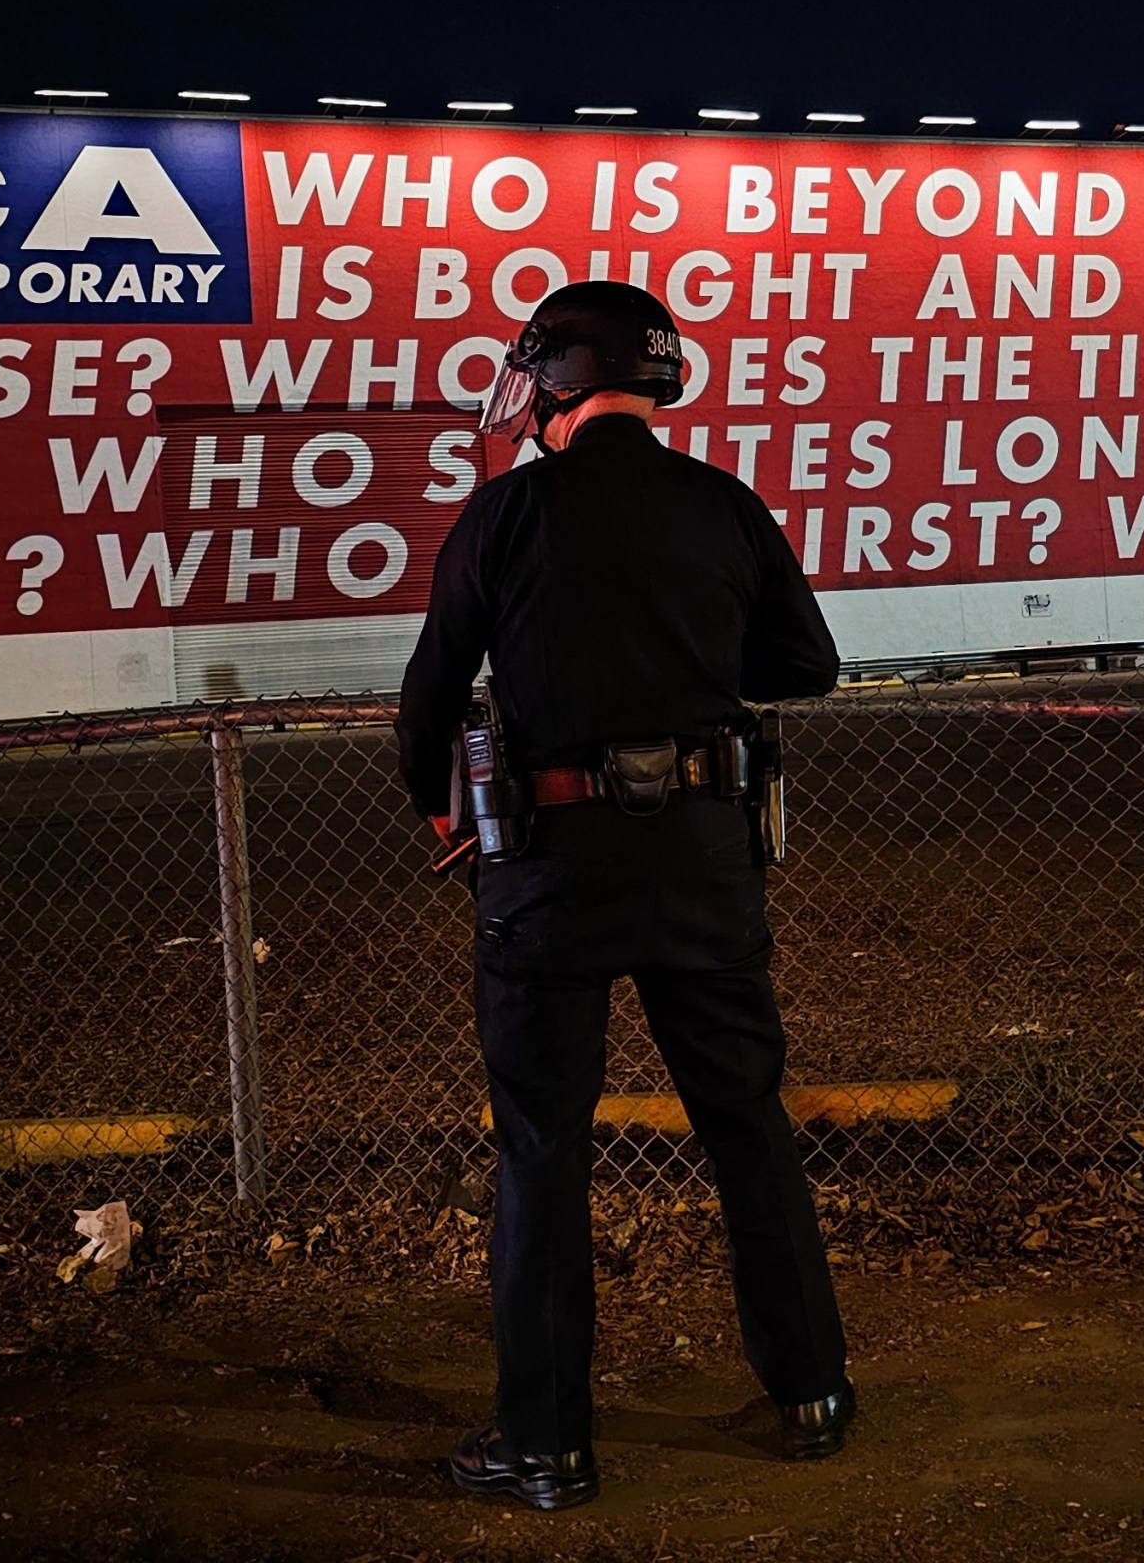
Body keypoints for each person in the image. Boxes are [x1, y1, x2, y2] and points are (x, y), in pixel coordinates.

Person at [397, 281, 853, 1513]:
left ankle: (546, 1446)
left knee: (544, 1150)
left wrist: (443, 809)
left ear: (558, 375)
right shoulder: (723, 505)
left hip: (548, 873)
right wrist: (695, 661)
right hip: (704, 864)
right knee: (747, 1124)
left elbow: (430, 696)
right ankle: (811, 1393)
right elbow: (805, 665)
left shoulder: (507, 514)